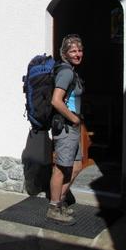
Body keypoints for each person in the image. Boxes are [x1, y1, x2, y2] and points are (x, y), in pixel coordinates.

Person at [47, 34, 84, 225]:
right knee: (61, 168)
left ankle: (59, 202)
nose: (78, 54)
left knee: (76, 167)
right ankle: (54, 208)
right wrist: (74, 119)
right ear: (65, 53)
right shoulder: (66, 73)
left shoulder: (71, 71)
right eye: (73, 51)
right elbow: (56, 101)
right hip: (66, 128)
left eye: (80, 50)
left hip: (72, 128)